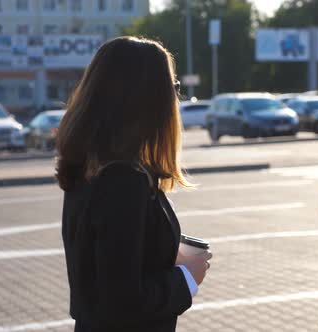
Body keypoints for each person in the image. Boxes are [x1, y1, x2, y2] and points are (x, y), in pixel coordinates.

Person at [56, 36, 212, 332]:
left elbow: (105, 266)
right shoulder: (123, 180)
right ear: (148, 99)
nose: (174, 99)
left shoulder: (89, 166)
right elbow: (122, 302)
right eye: (173, 88)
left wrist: (166, 251)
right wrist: (188, 278)